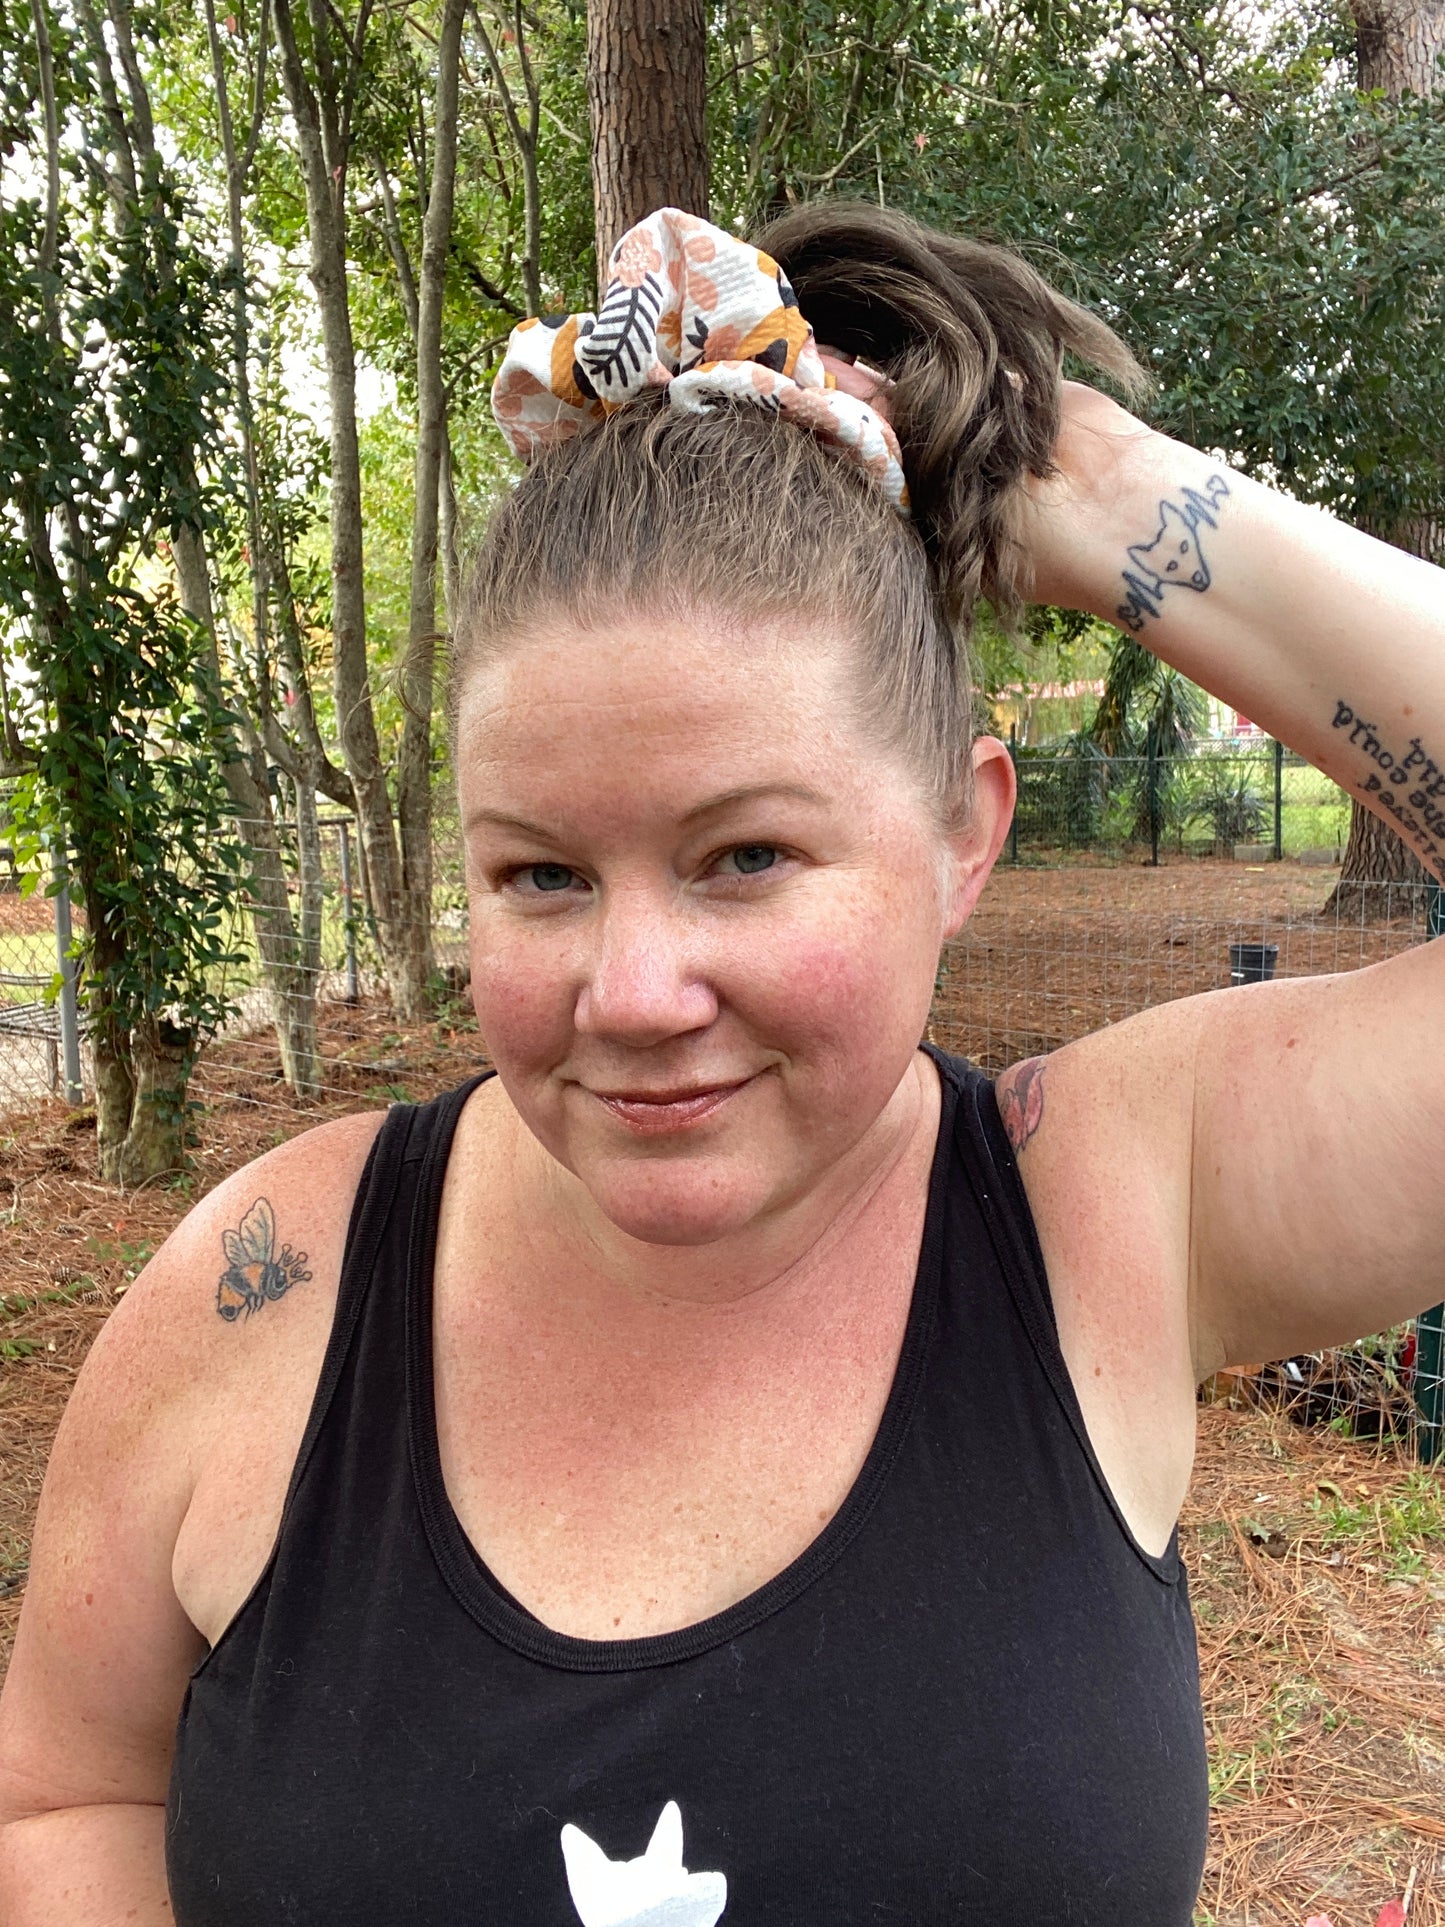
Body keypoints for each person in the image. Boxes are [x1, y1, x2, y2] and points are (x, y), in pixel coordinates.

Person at [0, 200, 1441, 1927]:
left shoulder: (1121, 1205)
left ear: (963, 835)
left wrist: (1094, 489)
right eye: (540, 874)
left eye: (744, 855)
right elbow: (69, 1792)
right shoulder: (266, 1289)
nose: (632, 994)